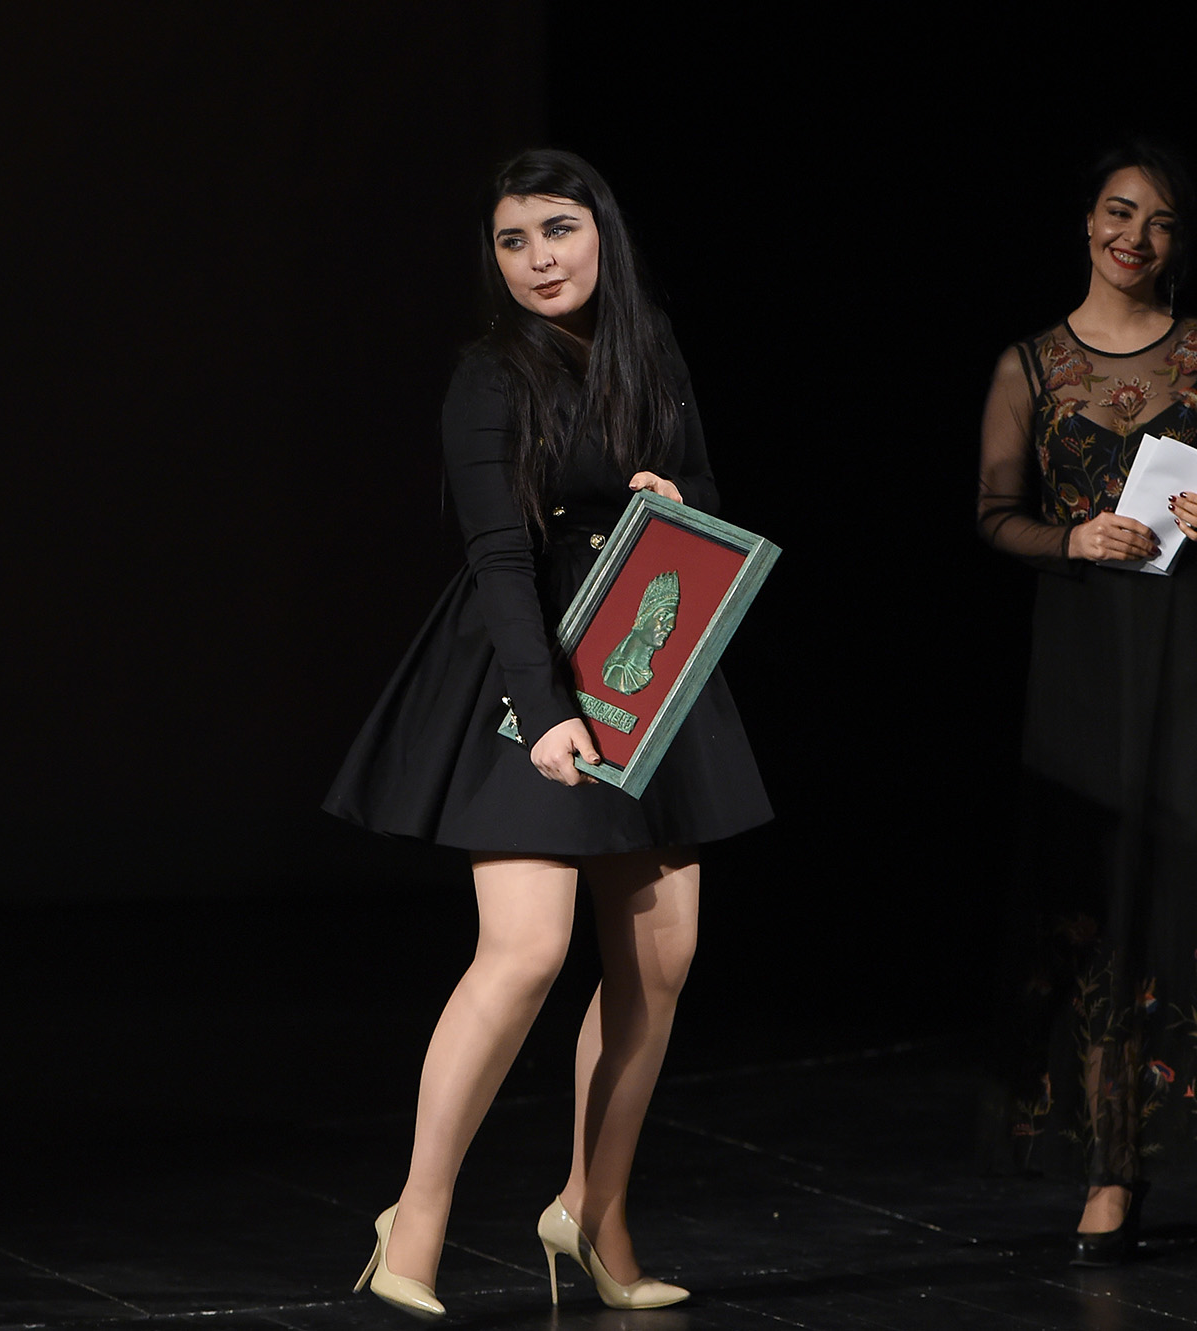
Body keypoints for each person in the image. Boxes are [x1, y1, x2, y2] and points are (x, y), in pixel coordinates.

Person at [324, 148, 771, 1319]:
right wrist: (545, 707)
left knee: (660, 960)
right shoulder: (490, 372)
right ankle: (414, 1216)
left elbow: (709, 503)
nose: (537, 258)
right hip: (526, 663)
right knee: (525, 948)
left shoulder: (648, 348)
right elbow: (495, 554)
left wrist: (676, 506)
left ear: (601, 233)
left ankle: (592, 1210)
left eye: (557, 230)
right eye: (513, 241)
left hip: (640, 657)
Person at [976, 142, 1197, 1273]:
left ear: (1180, 241)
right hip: (1087, 651)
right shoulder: (1029, 363)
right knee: (1100, 893)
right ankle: (1109, 1167)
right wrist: (1070, 538)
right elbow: (993, 512)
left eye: (1160, 222)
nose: (1136, 237)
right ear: (1086, 221)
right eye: (1120, 213)